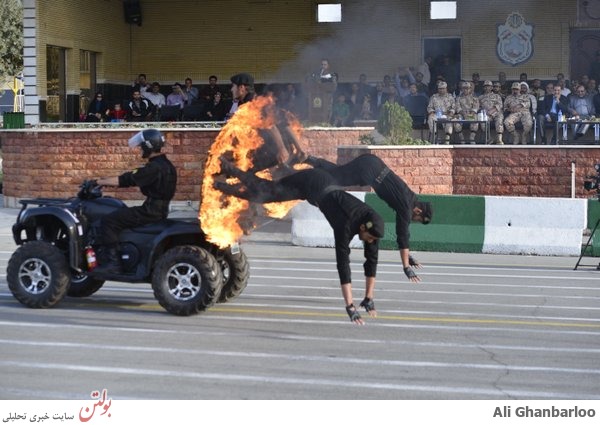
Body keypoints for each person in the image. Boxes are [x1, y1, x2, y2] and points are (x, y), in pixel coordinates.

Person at [216, 162, 384, 325]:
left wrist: (369, 298)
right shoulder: (345, 224)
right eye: (369, 238)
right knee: (267, 193)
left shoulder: (372, 223)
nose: (370, 242)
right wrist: (350, 306)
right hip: (311, 183)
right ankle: (224, 175)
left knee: (269, 191)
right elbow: (343, 265)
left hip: (322, 184)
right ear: (362, 227)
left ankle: (225, 181)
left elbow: (372, 261)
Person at [303, 153, 433, 283]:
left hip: (372, 161)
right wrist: (406, 267)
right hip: (369, 172)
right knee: (338, 178)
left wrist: (407, 256)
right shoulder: (406, 208)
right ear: (418, 211)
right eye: (418, 219)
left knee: (339, 173)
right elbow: (403, 236)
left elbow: (403, 239)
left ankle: (309, 159)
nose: (413, 220)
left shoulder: (410, 197)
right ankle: (305, 179)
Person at [93, 129, 177, 274]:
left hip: (150, 211)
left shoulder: (154, 168)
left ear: (148, 146)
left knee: (109, 221)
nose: (140, 149)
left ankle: (114, 264)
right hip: (160, 209)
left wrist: (98, 181)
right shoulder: (167, 165)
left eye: (141, 146)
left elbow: (127, 179)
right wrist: (105, 181)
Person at [479, 80, 505, 144]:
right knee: (483, 122)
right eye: (485, 86)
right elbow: (478, 107)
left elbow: (500, 105)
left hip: (496, 113)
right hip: (486, 114)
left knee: (499, 120)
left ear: (491, 88)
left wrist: (492, 111)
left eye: (488, 86)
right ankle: (489, 138)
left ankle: (499, 139)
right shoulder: (480, 97)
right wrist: (484, 112)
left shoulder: (497, 96)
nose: (487, 88)